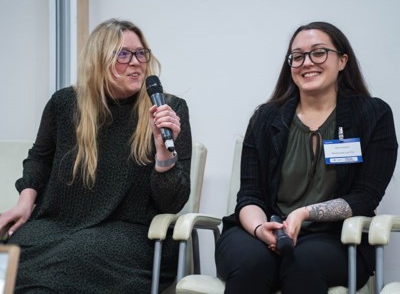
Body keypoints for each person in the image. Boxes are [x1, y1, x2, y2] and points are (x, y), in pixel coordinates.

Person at [0, 18, 192, 293]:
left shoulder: (169, 110)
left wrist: (163, 154)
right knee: (12, 254)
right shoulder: (64, 104)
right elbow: (39, 159)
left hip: (130, 233)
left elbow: (172, 202)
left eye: (140, 53)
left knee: (79, 254)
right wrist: (24, 201)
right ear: (98, 61)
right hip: (59, 224)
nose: (136, 62)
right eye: (123, 54)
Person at [215, 21, 398, 294]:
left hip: (334, 236)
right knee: (251, 262)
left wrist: (304, 213)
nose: (307, 62)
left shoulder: (372, 115)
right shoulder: (266, 118)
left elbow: (365, 196)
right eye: (297, 56)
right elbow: (250, 195)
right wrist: (259, 229)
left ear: (342, 60)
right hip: (265, 227)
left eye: (319, 52)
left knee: (302, 263)